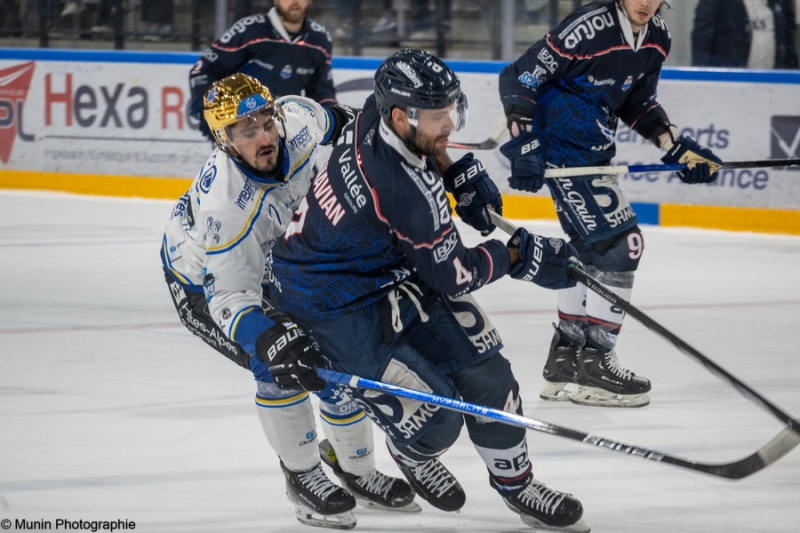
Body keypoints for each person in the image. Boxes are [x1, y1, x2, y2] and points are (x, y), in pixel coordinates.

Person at [266, 48, 590, 533]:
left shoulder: (377, 110)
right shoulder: (401, 190)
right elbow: (453, 274)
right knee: (433, 421)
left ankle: (518, 486)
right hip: (329, 301)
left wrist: (455, 171)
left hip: (391, 267)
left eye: (450, 111)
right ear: (401, 115)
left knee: (488, 376)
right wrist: (520, 258)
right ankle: (409, 449)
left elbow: (428, 159)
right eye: (437, 118)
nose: (449, 127)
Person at [161, 73, 419, 529]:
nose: (264, 136)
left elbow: (347, 123)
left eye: (265, 121)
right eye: (247, 131)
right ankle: (301, 476)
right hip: (205, 285)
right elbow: (229, 299)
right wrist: (272, 342)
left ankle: (355, 467)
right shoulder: (227, 207)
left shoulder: (297, 120)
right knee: (284, 364)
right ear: (223, 140)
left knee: (337, 348)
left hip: (277, 257)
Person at [497, 0, 724, 408]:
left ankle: (567, 359)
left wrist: (675, 147)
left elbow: (637, 102)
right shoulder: (588, 27)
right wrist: (525, 143)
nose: (644, 2)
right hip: (562, 150)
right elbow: (518, 78)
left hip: (593, 152)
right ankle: (596, 363)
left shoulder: (658, 37)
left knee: (590, 251)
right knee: (622, 246)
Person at [189, 0, 336, 141]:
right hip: (243, 130)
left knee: (307, 167)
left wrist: (335, 119)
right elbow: (203, 71)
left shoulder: (320, 41)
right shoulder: (250, 31)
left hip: (287, 130)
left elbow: (321, 90)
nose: (294, 1)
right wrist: (206, 112)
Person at [691, 0, 798, 69]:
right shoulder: (716, 3)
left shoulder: (781, 3)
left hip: (774, 88)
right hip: (729, 87)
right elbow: (702, 45)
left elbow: (788, 46)